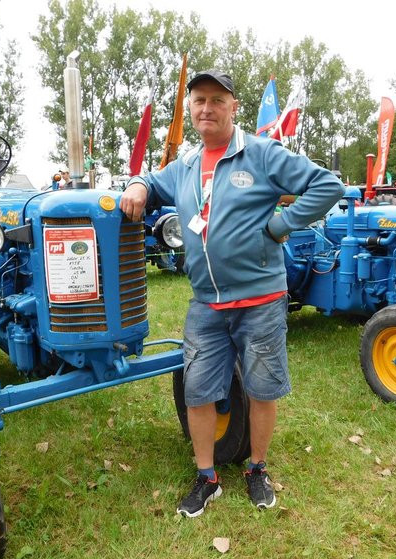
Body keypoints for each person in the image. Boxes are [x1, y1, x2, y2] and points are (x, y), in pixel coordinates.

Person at [120, 70, 344, 517]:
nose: (207, 108)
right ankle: (207, 477)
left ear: (233, 107)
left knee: (262, 388)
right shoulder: (184, 165)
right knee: (198, 391)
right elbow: (152, 181)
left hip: (260, 300)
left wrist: (280, 225)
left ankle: (256, 468)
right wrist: (137, 184)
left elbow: (327, 186)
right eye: (199, 100)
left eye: (217, 100)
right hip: (206, 303)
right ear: (191, 107)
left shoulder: (260, 153)